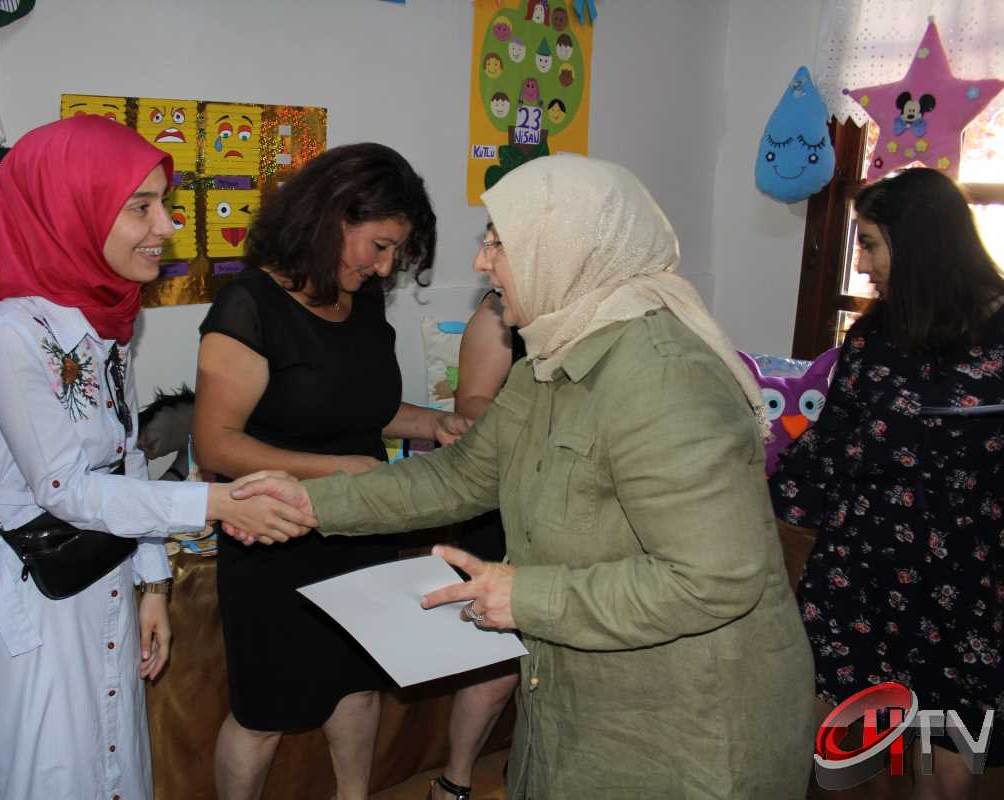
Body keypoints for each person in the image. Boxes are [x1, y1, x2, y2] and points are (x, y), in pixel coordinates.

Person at [228, 155, 817, 798]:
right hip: (579, 703)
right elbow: (458, 476)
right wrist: (309, 501)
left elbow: (715, 579)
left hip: (690, 727)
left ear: (566, 251)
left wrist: (526, 598)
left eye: (499, 243)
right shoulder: (552, 357)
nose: (481, 262)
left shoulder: (665, 377)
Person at [0, 116, 315, 800]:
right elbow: (68, 490)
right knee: (53, 770)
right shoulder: (10, 336)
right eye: (141, 207)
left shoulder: (102, 323)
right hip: (38, 597)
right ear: (70, 211)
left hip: (101, 573)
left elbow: (126, 455)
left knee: (110, 764)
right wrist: (218, 501)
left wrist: (153, 585)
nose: (166, 226)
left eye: (163, 204)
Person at [192, 142, 469, 800]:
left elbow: (365, 408)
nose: (385, 266)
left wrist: (434, 424)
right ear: (331, 219)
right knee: (265, 714)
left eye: (397, 252)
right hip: (274, 534)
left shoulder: (362, 303)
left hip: (361, 525)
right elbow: (215, 444)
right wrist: (336, 470)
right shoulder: (249, 306)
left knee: (357, 688)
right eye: (380, 246)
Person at [771, 167, 1004, 800]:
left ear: (919, 243)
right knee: (841, 746)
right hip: (857, 569)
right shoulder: (874, 335)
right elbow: (827, 447)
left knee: (944, 752)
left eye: (871, 244)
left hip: (960, 585)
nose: (862, 263)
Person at [427, 288, 523, 800]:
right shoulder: (497, 308)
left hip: (578, 505)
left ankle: (529, 766)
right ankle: (454, 781)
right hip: (504, 496)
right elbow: (471, 404)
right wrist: (547, 432)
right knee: (497, 660)